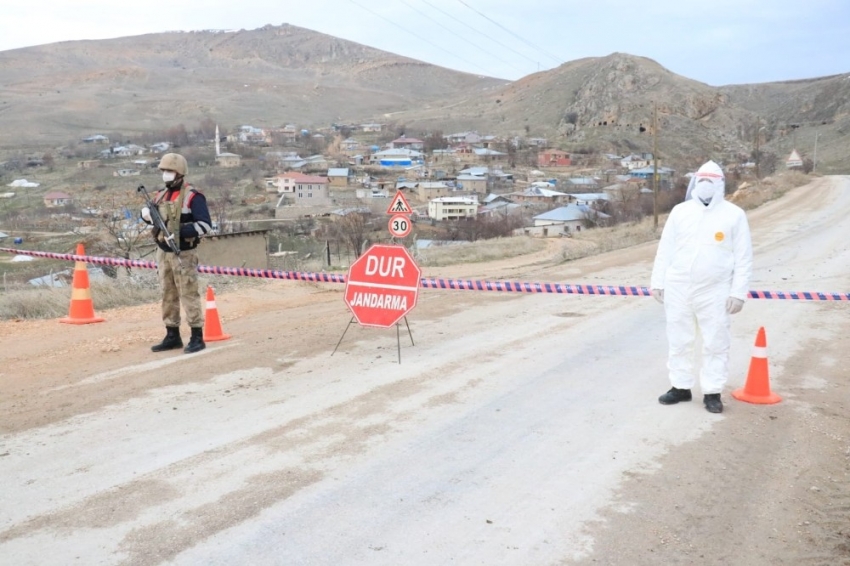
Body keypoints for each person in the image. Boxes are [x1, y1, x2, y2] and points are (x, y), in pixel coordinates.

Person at [650, 160, 753, 413]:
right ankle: (680, 387)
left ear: (720, 184)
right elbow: (665, 250)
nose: (706, 185)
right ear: (695, 182)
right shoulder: (680, 212)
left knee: (715, 341)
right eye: (702, 180)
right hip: (678, 287)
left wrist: (738, 292)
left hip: (715, 289)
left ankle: (712, 392)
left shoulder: (734, 215)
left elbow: (744, 257)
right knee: (679, 339)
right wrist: (658, 282)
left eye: (711, 180)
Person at [141, 153, 212, 354]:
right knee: (167, 293)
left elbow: (205, 225)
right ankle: (172, 334)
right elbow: (153, 219)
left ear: (180, 173)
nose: (166, 175)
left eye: (169, 171)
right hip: (163, 253)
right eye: (163, 171)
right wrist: (145, 215)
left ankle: (197, 336)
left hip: (184, 252)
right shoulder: (160, 195)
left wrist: (179, 233)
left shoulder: (193, 197)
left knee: (188, 293)